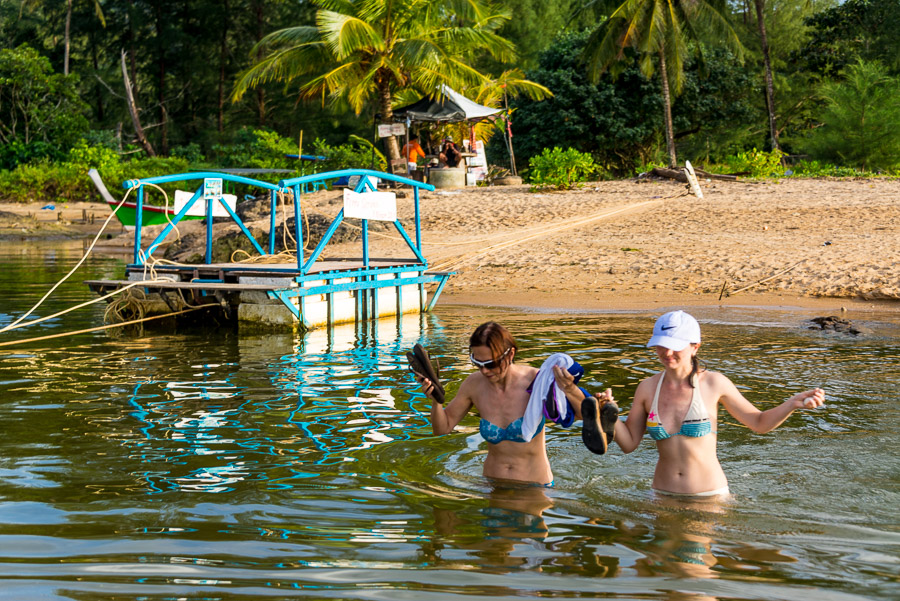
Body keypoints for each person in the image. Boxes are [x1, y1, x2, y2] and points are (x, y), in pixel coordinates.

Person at [582, 310, 825, 497]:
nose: (666, 353)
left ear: (695, 346)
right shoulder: (647, 388)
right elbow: (629, 443)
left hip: (708, 498)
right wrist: (608, 415)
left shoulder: (714, 384)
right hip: (660, 496)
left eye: (675, 346)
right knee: (652, 563)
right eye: (661, 345)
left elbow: (759, 423)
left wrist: (792, 404)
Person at [416, 321, 613, 486]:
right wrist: (435, 402)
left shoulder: (537, 381)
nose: (484, 371)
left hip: (535, 487)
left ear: (509, 355)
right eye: (478, 363)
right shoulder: (473, 385)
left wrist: (571, 389)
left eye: (490, 364)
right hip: (492, 485)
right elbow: (442, 429)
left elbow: (580, 415)